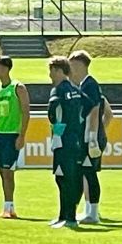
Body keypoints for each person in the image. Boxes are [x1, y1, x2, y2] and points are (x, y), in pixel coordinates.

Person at [0, 55, 30, 219]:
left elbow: (26, 113)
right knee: (2, 171)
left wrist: (21, 136)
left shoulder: (18, 88)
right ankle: (6, 207)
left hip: (11, 135)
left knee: (8, 171)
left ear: (6, 68)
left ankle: (10, 207)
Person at [69, 50, 107, 224]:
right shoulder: (84, 85)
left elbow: (94, 110)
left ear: (80, 65)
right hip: (88, 136)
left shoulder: (89, 85)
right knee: (85, 172)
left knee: (90, 173)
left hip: (90, 137)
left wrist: (92, 136)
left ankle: (93, 213)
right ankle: (88, 210)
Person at [47, 56, 85, 229]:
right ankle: (65, 215)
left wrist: (57, 134)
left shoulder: (59, 90)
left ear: (58, 70)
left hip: (63, 139)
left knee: (63, 178)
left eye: (51, 71)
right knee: (69, 177)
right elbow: (90, 104)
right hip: (76, 138)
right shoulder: (75, 89)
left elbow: (53, 113)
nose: (49, 75)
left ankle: (68, 217)